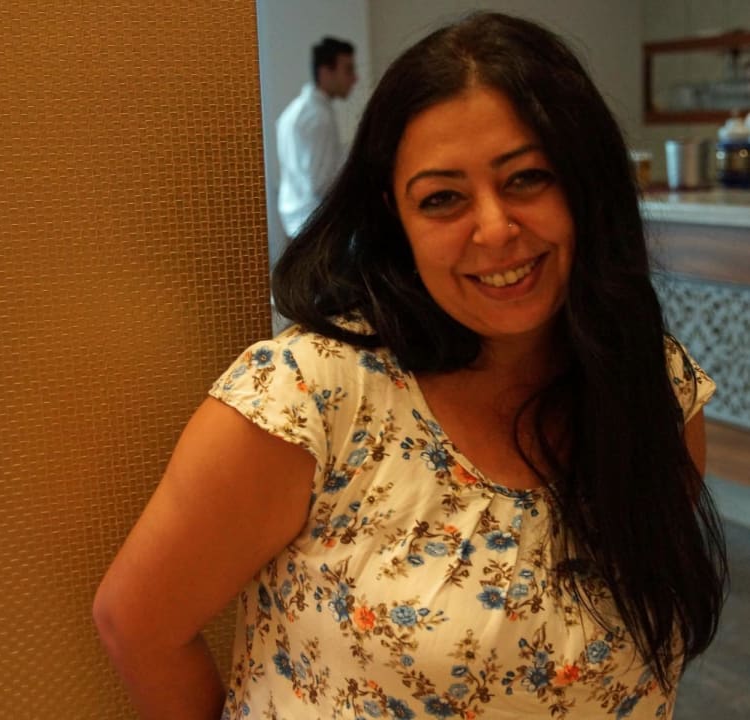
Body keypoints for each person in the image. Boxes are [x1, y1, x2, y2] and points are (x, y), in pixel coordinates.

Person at [93, 12, 728, 719]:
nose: (495, 229)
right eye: (442, 198)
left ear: (587, 186)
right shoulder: (308, 395)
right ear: (395, 220)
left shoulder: (652, 385)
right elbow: (137, 623)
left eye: (527, 178)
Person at [276, 36, 356, 238]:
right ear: (325, 72)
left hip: (295, 220)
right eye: (348, 70)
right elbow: (321, 184)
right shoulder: (318, 117)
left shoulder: (294, 111)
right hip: (313, 224)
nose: (355, 78)